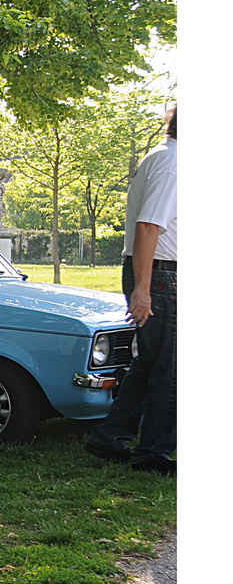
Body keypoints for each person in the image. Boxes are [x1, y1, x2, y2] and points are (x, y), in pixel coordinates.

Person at [85, 103, 176, 474]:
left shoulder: (165, 157)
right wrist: (142, 289)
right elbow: (148, 227)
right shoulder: (173, 164)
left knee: (151, 361)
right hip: (159, 274)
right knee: (171, 367)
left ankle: (110, 437)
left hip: (157, 274)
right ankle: (153, 452)